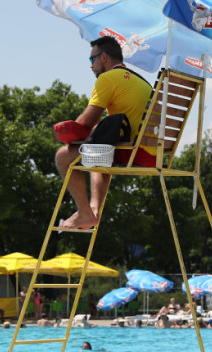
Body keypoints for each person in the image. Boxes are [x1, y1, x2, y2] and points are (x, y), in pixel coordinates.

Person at [55, 36, 154, 230]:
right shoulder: (141, 81)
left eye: (92, 60)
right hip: (154, 152)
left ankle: (85, 214)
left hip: (134, 151)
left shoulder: (107, 78)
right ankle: (93, 212)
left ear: (104, 57)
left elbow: (86, 122)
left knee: (62, 156)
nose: (91, 66)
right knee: (99, 150)